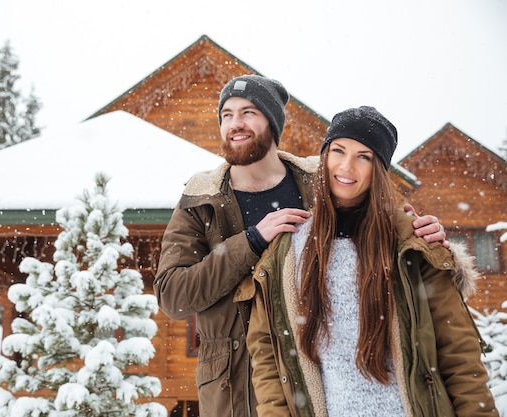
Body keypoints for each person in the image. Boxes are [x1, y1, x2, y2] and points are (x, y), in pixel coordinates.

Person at [153, 76, 447, 417]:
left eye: (248, 112)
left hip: (318, 382)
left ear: (273, 123)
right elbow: (172, 296)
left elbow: (374, 218)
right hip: (235, 392)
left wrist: (416, 231)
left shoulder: (318, 183)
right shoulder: (200, 201)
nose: (236, 124)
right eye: (227, 115)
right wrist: (250, 242)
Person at [242, 106, 497, 416]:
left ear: (378, 169)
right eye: (338, 151)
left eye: (364, 156)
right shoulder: (288, 249)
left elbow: (459, 354)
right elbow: (268, 354)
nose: (346, 166)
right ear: (324, 158)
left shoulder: (411, 246)